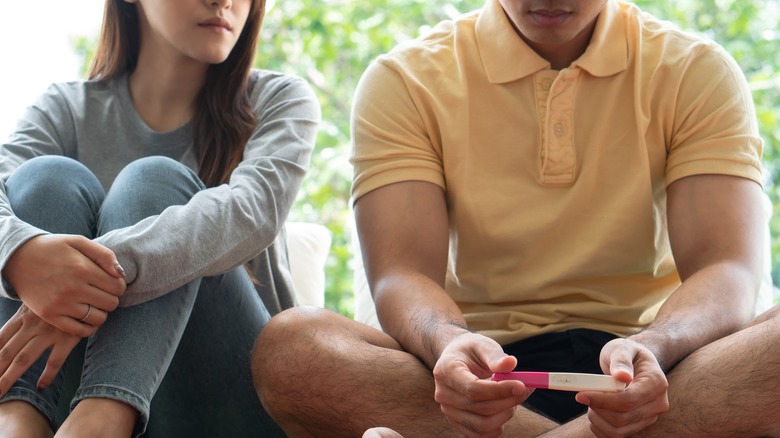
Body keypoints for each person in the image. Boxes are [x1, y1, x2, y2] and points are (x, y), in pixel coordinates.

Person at [252, 0, 780, 436]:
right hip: (478, 379)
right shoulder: (405, 78)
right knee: (293, 348)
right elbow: (401, 272)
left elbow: (727, 266)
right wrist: (451, 347)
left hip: (658, 373)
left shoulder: (697, 70)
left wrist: (653, 348)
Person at [0, 0, 319, 436]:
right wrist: (21, 254)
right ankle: (18, 419)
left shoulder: (279, 100)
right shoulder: (66, 108)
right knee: (45, 179)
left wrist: (76, 276)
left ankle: (102, 419)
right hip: (64, 399)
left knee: (154, 181)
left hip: (230, 399)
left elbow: (251, 212)